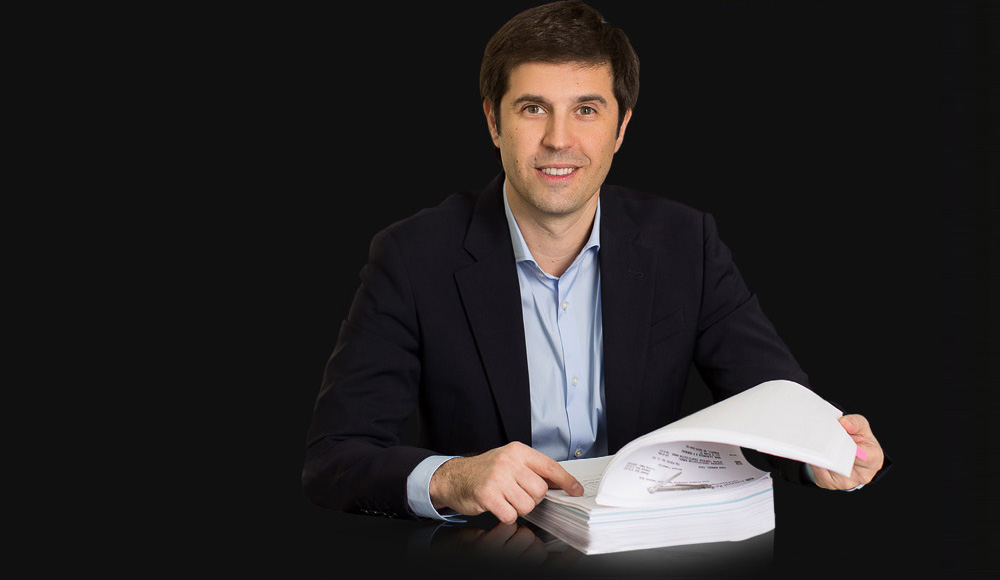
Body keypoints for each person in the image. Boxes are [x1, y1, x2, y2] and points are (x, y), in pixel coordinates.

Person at [302, 0, 887, 524]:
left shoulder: (687, 243)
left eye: (586, 109)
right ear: (493, 122)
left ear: (621, 126)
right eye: (534, 108)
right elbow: (336, 458)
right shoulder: (412, 256)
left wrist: (823, 452)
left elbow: (771, 399)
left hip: (644, 551)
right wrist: (452, 478)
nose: (559, 139)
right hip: (485, 554)